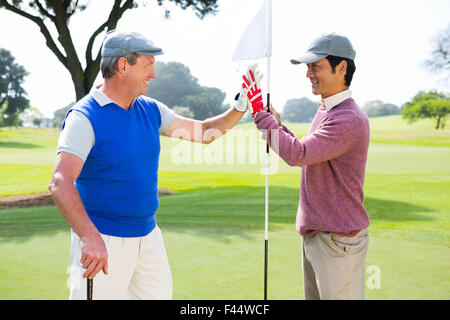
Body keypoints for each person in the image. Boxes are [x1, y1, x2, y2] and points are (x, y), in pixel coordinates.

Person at [48, 29, 258, 300]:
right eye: (148, 65)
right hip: (103, 240)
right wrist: (89, 237)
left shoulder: (150, 110)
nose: (154, 74)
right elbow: (60, 182)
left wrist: (240, 106)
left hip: (148, 237)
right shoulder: (84, 117)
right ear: (124, 65)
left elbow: (205, 132)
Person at [253, 33, 370, 300]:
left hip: (338, 240)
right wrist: (278, 126)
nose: (309, 74)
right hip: (320, 235)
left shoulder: (348, 117)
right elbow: (310, 150)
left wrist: (264, 121)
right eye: (308, 67)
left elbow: (298, 154)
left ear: (341, 68)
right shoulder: (327, 109)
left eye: (315, 66)